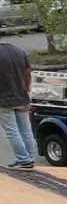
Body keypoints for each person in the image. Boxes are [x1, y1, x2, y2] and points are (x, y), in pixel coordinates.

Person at [0, 40, 32, 171]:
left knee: (12, 131)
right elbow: (28, 71)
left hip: (3, 98)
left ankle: (24, 161)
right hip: (22, 96)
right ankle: (29, 158)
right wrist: (27, 88)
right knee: (26, 130)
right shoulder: (18, 50)